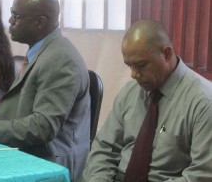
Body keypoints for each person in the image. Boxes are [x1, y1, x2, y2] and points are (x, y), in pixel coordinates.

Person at [0, 0, 91, 181]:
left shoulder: (60, 59)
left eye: (16, 16)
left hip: (48, 162)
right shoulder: (42, 51)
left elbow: (42, 126)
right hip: (24, 151)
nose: (10, 21)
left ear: (39, 22)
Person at [81, 20, 212, 182]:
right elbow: (104, 149)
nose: (134, 74)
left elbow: (202, 175)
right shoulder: (130, 92)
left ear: (166, 54)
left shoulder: (203, 102)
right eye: (130, 66)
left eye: (141, 65)